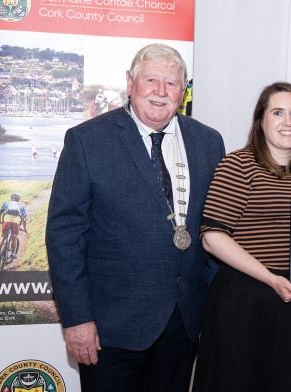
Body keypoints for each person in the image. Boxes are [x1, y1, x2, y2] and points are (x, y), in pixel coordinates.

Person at [46, 43, 225, 391]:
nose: (161, 92)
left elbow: (216, 225)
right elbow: (64, 235)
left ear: (184, 91)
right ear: (130, 83)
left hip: (184, 322)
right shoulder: (87, 141)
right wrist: (77, 318)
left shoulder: (208, 142)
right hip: (110, 326)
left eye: (172, 83)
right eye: (151, 80)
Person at [191, 82, 291, 392]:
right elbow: (212, 236)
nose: (288, 122)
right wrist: (270, 278)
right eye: (278, 112)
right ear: (261, 120)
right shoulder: (237, 165)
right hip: (247, 300)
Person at [0, 193, 28, 260]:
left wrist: (0, 221)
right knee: (14, 237)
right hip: (16, 222)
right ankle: (13, 253)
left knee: (3, 237)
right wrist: (24, 228)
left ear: (11, 198)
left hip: (7, 220)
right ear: (18, 200)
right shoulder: (21, 206)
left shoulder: (6, 203)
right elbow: (24, 219)